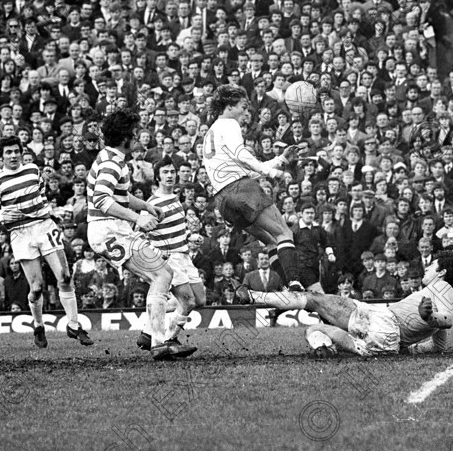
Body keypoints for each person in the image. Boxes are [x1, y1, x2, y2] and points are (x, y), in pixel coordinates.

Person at [86, 109, 195, 360]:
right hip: (109, 230)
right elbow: (102, 200)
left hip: (112, 230)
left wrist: (145, 206)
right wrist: (138, 218)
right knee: (162, 274)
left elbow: (118, 196)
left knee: (164, 275)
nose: (138, 139)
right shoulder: (113, 164)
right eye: (135, 134)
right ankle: (159, 342)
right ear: (125, 138)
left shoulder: (109, 157)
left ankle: (155, 338)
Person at [236, 251, 453, 357]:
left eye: (431, 266)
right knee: (313, 329)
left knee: (314, 299)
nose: (427, 269)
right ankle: (322, 348)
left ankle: (255, 296)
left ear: (442, 272)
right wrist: (412, 346)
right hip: (387, 344)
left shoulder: (443, 288)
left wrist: (429, 317)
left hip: (383, 321)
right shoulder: (440, 293)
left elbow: (447, 319)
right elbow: (439, 348)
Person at [0, 135, 93, 348]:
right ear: (0, 157)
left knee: (64, 276)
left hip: (44, 227)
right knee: (36, 287)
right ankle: (38, 325)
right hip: (20, 233)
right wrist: (2, 216)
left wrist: (52, 212)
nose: (14, 155)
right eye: (8, 152)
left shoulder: (33, 170)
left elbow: (42, 198)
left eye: (17, 151)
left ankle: (73, 324)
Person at [202, 84, 305, 291]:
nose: (246, 113)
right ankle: (295, 284)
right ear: (229, 106)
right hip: (242, 190)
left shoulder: (210, 133)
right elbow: (242, 156)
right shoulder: (229, 124)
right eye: (243, 106)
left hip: (223, 199)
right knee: (285, 233)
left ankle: (288, 285)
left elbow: (243, 171)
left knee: (271, 241)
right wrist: (274, 173)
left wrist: (280, 160)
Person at [134, 156, 207, 352]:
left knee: (200, 300)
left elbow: (178, 230)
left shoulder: (175, 198)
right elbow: (138, 237)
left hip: (184, 255)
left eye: (172, 172)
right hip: (170, 259)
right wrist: (156, 258)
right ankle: (168, 340)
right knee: (188, 301)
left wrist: (190, 237)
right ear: (157, 177)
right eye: (165, 172)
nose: (170, 175)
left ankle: (148, 330)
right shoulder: (152, 204)